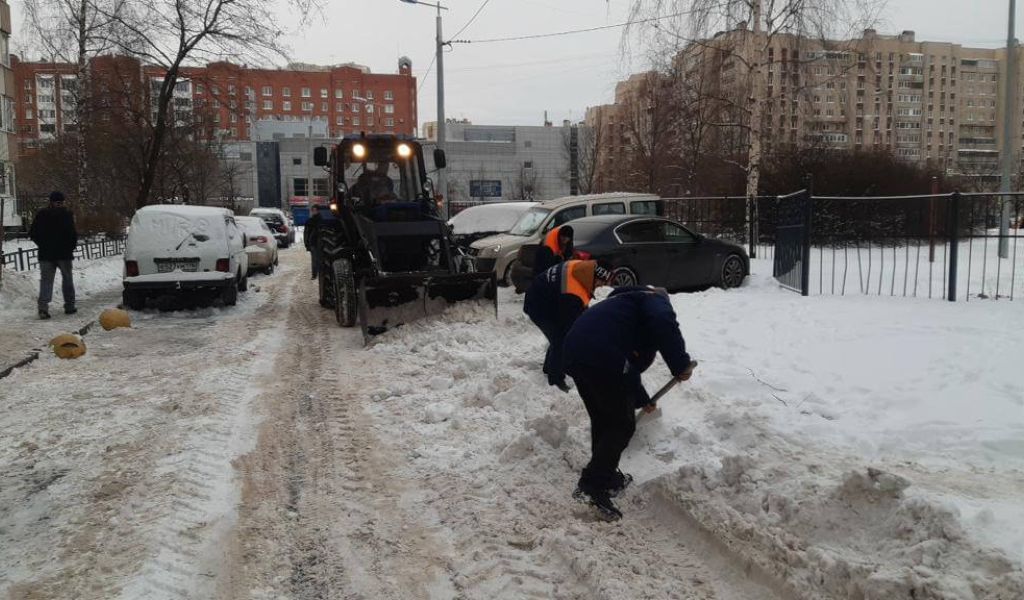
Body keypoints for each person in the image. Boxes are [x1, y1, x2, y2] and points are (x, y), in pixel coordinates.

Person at [562, 286, 696, 520]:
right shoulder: (654, 300)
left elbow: (628, 369)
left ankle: (605, 474)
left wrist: (642, 399)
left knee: (603, 417)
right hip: (600, 354)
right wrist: (680, 363)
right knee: (621, 425)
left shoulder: (624, 312)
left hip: (574, 351)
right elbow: (662, 319)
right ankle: (592, 486)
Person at [522, 259, 612, 392]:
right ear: (593, 277)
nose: (599, 287)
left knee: (559, 335)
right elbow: (570, 325)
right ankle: (556, 379)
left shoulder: (580, 267)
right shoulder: (573, 293)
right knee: (561, 339)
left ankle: (550, 367)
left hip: (547, 297)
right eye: (599, 283)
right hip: (537, 306)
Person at [29, 191, 78, 320]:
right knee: (67, 280)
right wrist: (70, 247)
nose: (59, 204)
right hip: (64, 254)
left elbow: (33, 233)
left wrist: (43, 244)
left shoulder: (42, 215)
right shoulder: (67, 215)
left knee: (46, 282)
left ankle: (43, 308)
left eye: (60, 202)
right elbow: (73, 234)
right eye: (58, 202)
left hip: (46, 254)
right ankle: (69, 306)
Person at [304, 204, 324, 280]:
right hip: (313, 243)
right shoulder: (309, 221)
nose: (314, 212)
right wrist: (307, 244)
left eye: (315, 210)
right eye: (313, 210)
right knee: (314, 260)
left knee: (320, 259)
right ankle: (314, 274)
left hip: (321, 243)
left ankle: (321, 274)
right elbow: (306, 233)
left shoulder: (322, 220)